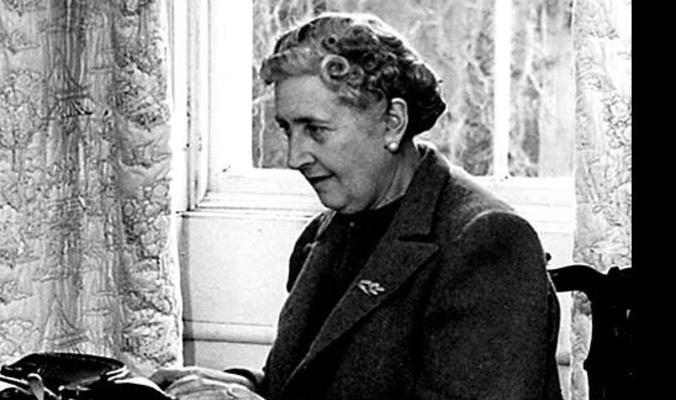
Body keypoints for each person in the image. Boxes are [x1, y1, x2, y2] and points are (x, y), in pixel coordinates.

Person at [151, 12, 563, 400]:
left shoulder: (487, 241)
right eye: (287, 130)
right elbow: (309, 387)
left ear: (392, 122)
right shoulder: (323, 233)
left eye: (316, 129)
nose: (295, 157)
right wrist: (236, 386)